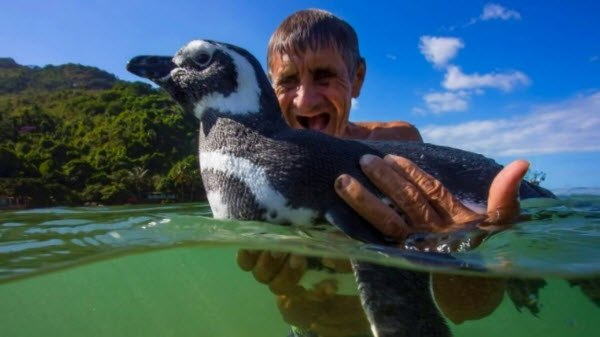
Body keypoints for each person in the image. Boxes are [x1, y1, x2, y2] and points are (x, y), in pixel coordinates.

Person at [237, 9, 527, 336]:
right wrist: (290, 297)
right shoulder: (259, 176)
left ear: (357, 78)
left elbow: (464, 308)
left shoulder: (394, 146)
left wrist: (455, 241)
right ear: (269, 88)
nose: (304, 100)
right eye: (287, 81)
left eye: (323, 75)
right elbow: (291, 294)